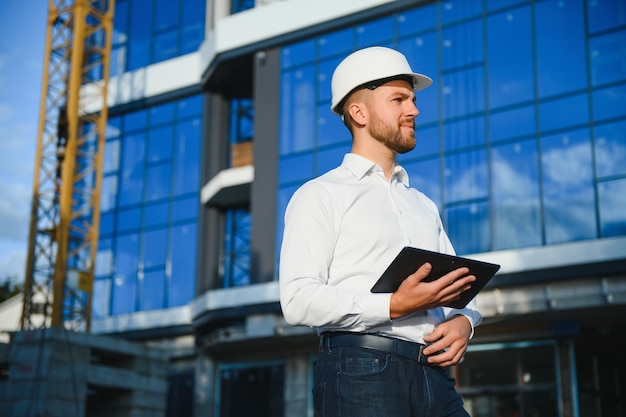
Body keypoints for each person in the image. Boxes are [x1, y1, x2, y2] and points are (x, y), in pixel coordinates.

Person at [279, 46, 481, 417]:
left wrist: (465, 322)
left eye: (413, 100)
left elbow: (457, 288)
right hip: (361, 370)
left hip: (435, 376)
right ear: (359, 112)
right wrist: (393, 305)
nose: (414, 110)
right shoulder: (320, 195)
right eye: (399, 99)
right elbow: (296, 299)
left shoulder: (422, 203)